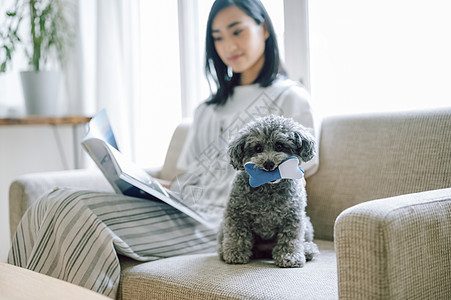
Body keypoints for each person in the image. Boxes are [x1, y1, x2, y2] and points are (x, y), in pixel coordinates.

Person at [8, 0, 318, 298]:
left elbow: (301, 171)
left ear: (263, 29)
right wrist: (142, 183)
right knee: (53, 199)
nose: (228, 46)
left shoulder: (289, 97)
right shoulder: (206, 109)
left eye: (237, 31)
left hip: (219, 220)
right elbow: (189, 176)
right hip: (181, 205)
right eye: (218, 37)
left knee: (73, 209)